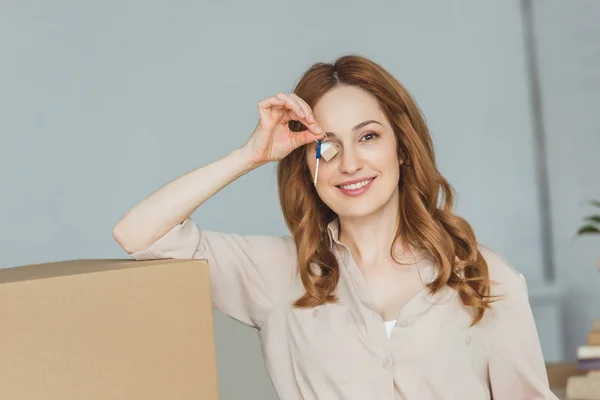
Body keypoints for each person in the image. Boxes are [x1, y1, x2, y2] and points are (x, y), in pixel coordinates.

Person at [112, 54, 559, 400]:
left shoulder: (483, 276)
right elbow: (140, 234)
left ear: (402, 149)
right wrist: (250, 154)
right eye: (325, 145)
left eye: (368, 136)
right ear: (307, 166)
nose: (349, 163)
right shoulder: (278, 274)